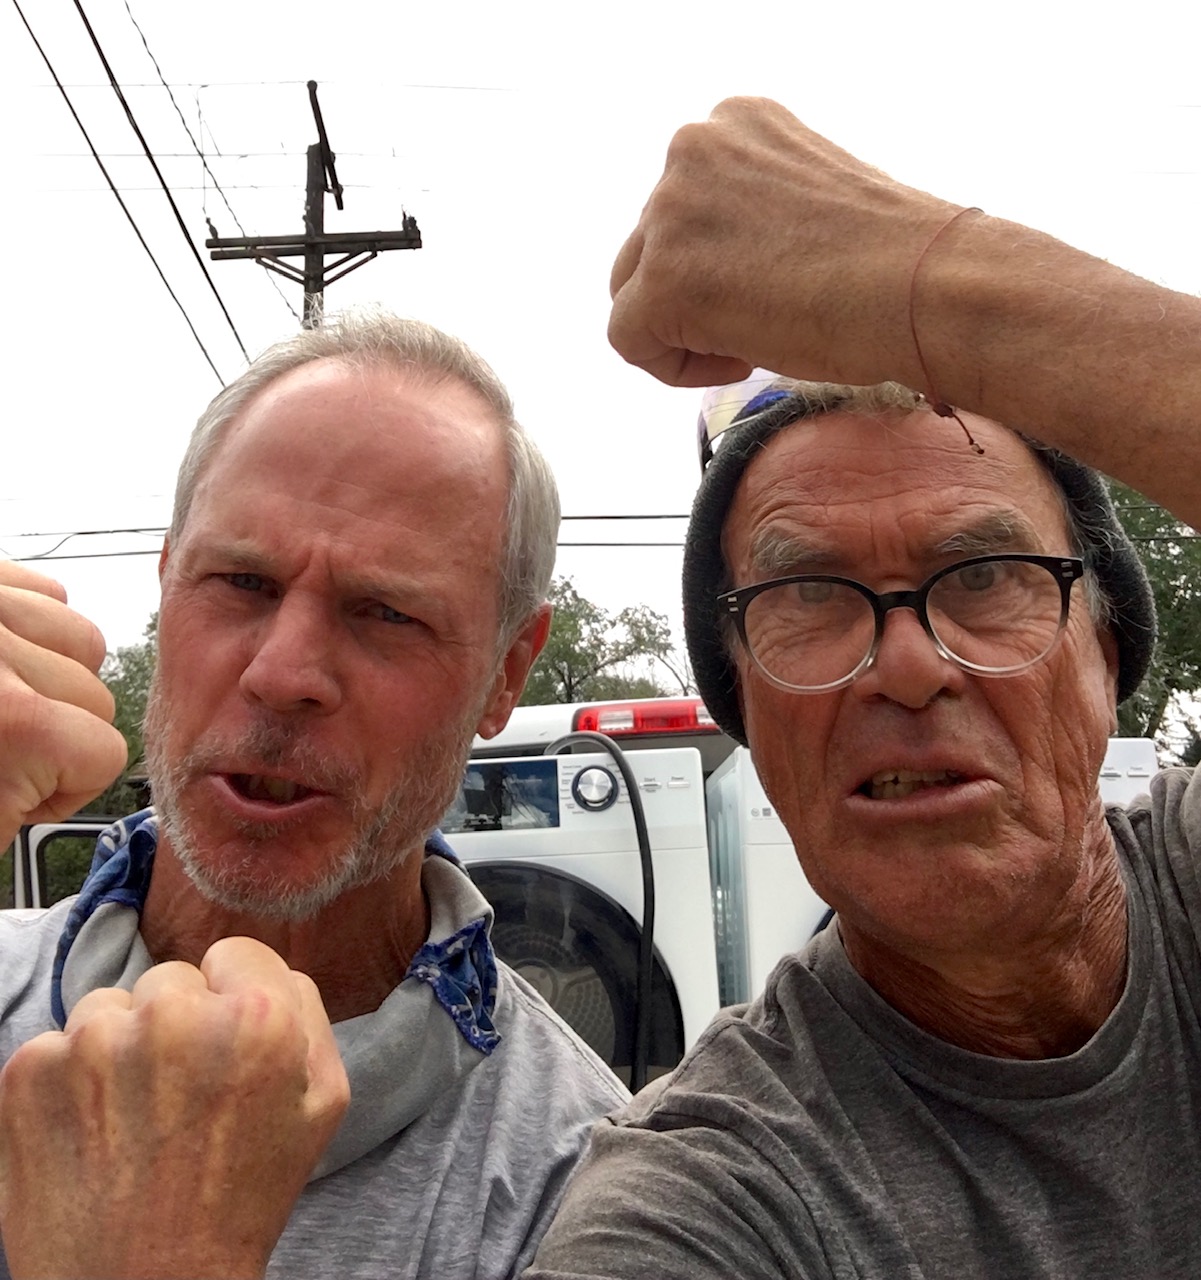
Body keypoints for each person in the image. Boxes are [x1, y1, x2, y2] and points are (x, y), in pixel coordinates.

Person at [523, 98, 1201, 1277]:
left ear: (1106, 649)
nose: (909, 665)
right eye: (810, 595)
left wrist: (925, 278)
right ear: (746, 706)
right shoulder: (710, 1197)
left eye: (982, 575)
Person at [0, 311, 627, 1280]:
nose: (283, 673)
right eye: (241, 581)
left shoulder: (582, 1194)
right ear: (166, 584)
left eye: (386, 612)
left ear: (506, 673)